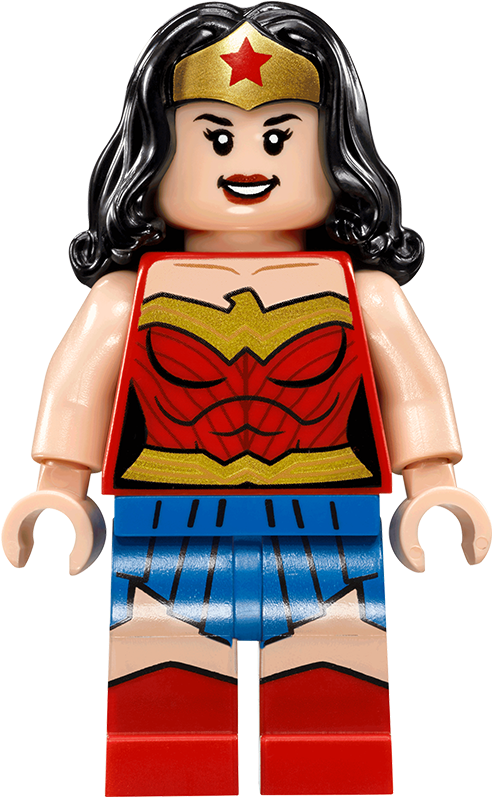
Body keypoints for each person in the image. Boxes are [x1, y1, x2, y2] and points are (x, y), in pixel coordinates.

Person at [3, 4, 490, 795]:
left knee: (333, 685)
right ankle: (168, 772)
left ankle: (328, 772)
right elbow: (76, 383)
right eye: (217, 138)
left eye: (280, 137)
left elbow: (414, 384)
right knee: (162, 684)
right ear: (155, 156)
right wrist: (58, 487)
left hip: (327, 513)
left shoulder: (364, 292)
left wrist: (433, 482)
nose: (248, 162)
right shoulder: (127, 295)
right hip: (168, 515)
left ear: (335, 156)